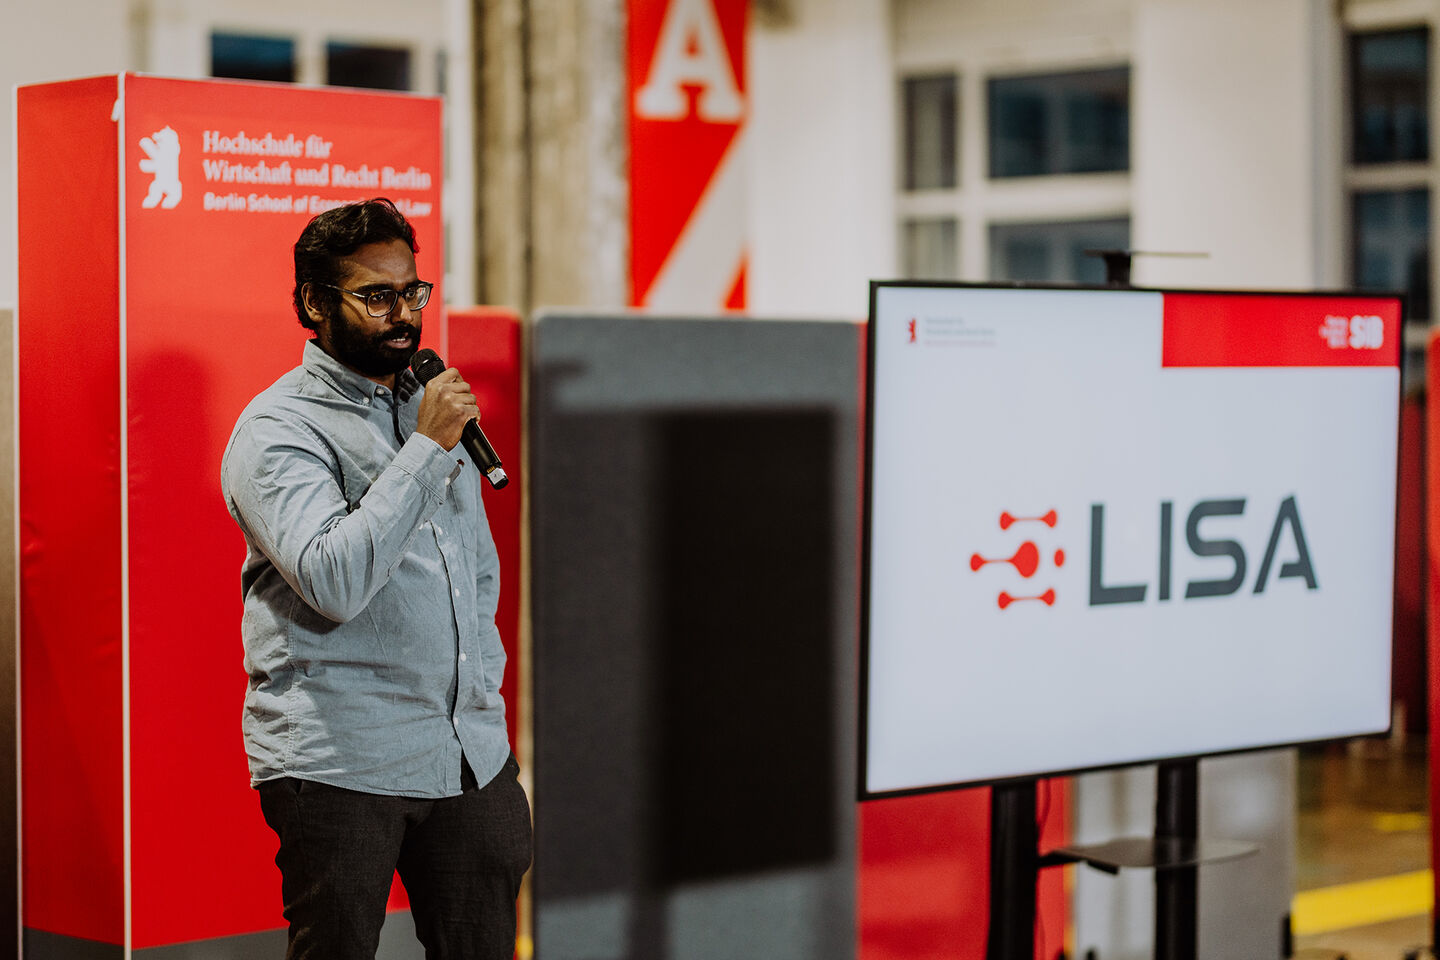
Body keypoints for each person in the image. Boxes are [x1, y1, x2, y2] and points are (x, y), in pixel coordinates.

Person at [221, 198, 531, 959]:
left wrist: (483, 702)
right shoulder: (278, 430)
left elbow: (472, 574)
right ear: (313, 304)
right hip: (343, 760)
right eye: (376, 296)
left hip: (467, 752)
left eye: (413, 291)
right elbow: (333, 578)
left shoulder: (427, 407)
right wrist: (424, 451)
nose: (403, 315)